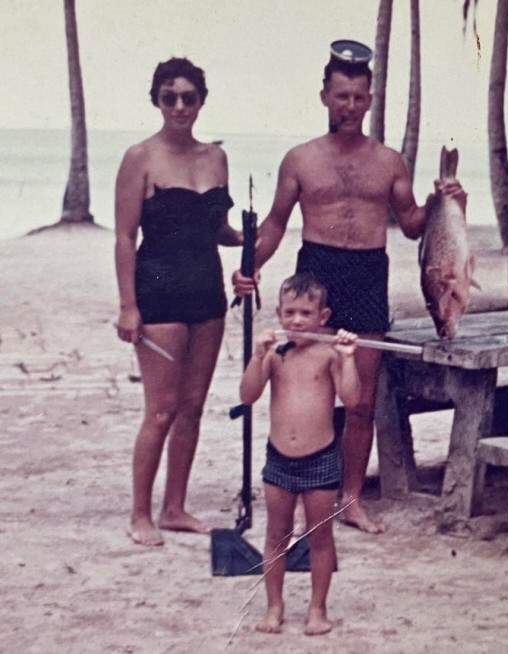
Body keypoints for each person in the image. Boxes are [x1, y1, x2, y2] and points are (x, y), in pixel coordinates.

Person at [232, 40, 466, 533]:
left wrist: (444, 201)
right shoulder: (300, 159)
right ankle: (302, 489)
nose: (351, 107)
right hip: (315, 273)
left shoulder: (388, 162)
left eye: (359, 98)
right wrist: (249, 266)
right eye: (342, 97)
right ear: (324, 96)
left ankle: (350, 498)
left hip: (366, 275)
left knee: (359, 401)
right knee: (307, 391)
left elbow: (412, 224)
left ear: (370, 100)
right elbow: (274, 224)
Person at [114, 57, 242, 547]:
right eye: (170, 97)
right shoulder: (140, 157)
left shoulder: (216, 158)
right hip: (159, 291)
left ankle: (174, 508)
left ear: (201, 101)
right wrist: (129, 306)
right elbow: (125, 237)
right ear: (157, 101)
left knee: (192, 408)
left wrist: (251, 237)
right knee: (161, 409)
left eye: (189, 97)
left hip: (208, 292)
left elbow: (216, 230)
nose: (180, 106)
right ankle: (140, 513)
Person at [239, 273, 361, 636]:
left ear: (323, 317)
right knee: (276, 534)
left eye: (305, 314)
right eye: (289, 312)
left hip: (320, 459)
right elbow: (247, 395)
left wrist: (349, 358)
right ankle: (274, 606)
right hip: (278, 460)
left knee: (319, 538)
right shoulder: (276, 356)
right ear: (278, 313)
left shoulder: (329, 355)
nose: (296, 321)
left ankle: (317, 609)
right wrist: (257, 355)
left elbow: (353, 400)